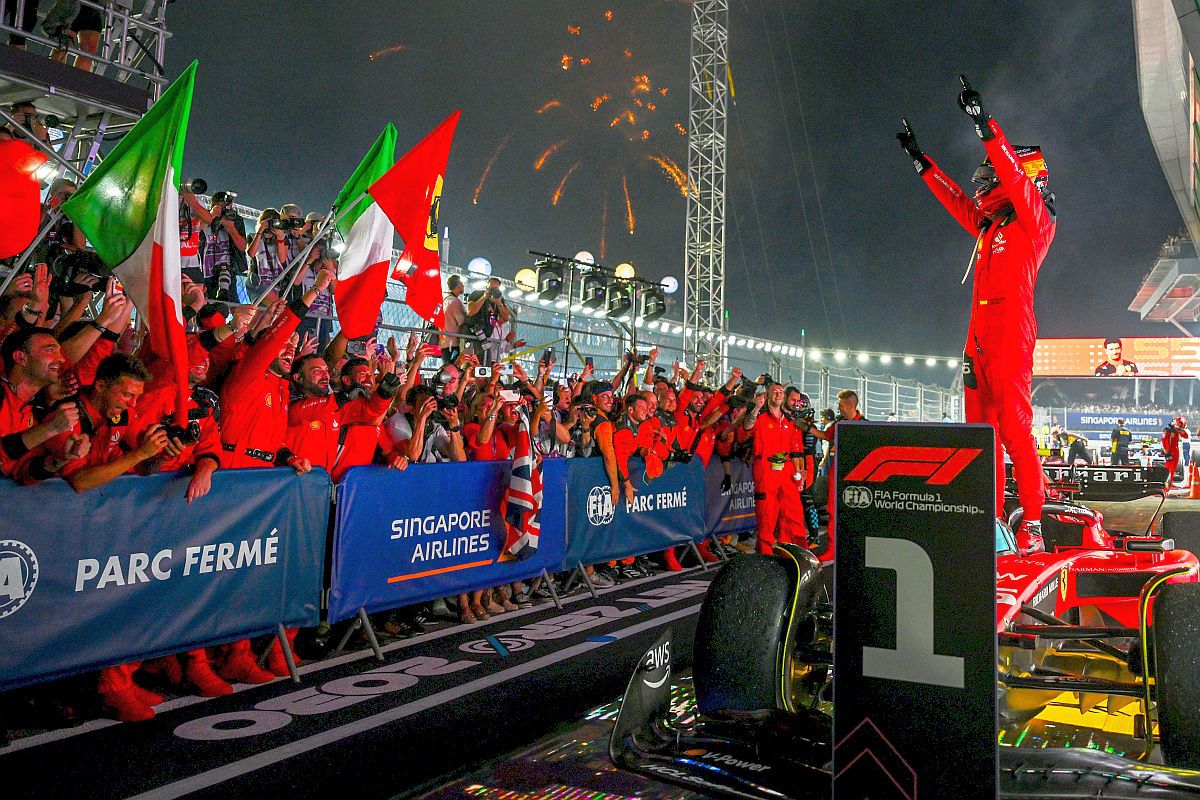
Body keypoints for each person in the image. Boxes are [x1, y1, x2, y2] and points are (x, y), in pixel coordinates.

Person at [898, 76, 1055, 551]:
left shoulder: (1036, 221)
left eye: (992, 170)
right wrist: (922, 162)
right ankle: (983, 519)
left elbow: (1010, 173)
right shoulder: (989, 225)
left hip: (1011, 332)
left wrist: (986, 126)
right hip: (978, 337)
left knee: (1015, 427)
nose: (984, 176)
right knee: (979, 433)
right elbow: (954, 200)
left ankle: (1034, 521)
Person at [742, 382, 807, 554]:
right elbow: (747, 427)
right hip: (765, 468)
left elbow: (796, 450)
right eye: (774, 392)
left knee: (793, 513)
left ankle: (796, 552)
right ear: (767, 395)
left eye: (780, 392)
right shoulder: (760, 417)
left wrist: (800, 472)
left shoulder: (790, 421)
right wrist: (757, 408)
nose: (778, 394)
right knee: (766, 515)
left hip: (786, 471)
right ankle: (765, 554)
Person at [1163, 417, 1189, 490]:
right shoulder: (1168, 429)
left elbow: (1186, 436)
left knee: (1173, 469)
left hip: (1175, 450)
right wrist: (1167, 450)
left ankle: (1170, 484)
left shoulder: (1177, 429)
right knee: (1168, 469)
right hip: (1170, 450)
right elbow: (1164, 439)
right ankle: (1165, 486)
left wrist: (1180, 430)